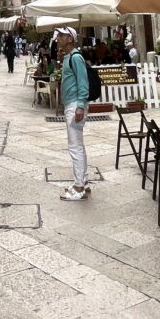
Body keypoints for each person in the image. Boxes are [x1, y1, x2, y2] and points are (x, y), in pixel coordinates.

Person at [56, 26, 90, 201]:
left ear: (70, 39)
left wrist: (80, 106)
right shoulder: (68, 57)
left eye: (61, 36)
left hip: (75, 105)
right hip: (73, 104)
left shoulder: (76, 57)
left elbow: (83, 82)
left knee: (74, 146)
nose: (58, 38)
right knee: (79, 145)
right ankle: (82, 180)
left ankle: (78, 188)